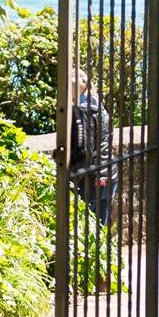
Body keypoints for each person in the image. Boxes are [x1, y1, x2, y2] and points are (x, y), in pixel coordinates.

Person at [69, 72, 117, 224]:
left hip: (91, 178)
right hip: (109, 173)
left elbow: (86, 152)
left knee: (85, 230)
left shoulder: (83, 111)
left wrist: (69, 177)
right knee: (99, 232)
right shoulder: (100, 107)